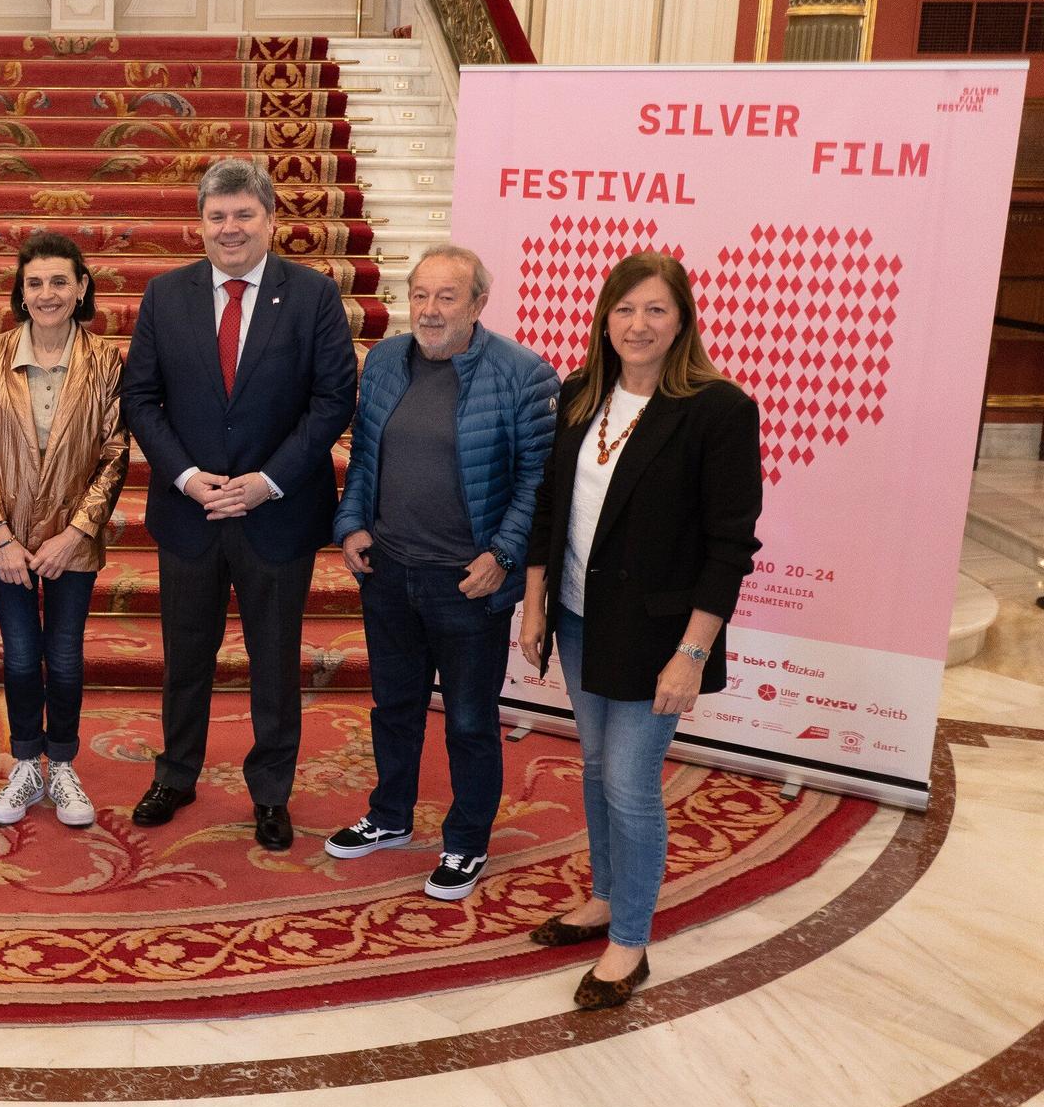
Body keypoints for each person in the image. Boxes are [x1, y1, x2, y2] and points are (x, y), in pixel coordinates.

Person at [519, 250, 762, 1010]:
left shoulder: (719, 409)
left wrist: (692, 653)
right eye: (624, 309)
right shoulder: (578, 394)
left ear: (682, 320)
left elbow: (730, 546)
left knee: (629, 784)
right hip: (580, 618)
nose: (638, 324)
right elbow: (551, 509)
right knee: (594, 768)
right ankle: (601, 897)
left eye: (656, 309)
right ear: (605, 318)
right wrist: (534, 605)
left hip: (660, 635)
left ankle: (630, 940)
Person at [120, 157, 358, 851]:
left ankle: (270, 792)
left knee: (275, 661)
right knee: (184, 656)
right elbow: (140, 397)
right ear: (200, 225)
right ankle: (177, 773)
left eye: (243, 215)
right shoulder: (166, 295)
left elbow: (332, 399)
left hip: (275, 512)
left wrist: (267, 481)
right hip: (189, 510)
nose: (230, 228)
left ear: (270, 221)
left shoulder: (312, 295)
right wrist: (189, 476)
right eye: (217, 216)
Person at [328, 245, 558, 901]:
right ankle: (391, 816)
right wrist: (351, 526)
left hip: (468, 584)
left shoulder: (523, 374)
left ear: (479, 303)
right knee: (393, 707)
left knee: (468, 720)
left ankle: (466, 840)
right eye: (421, 295)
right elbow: (365, 456)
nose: (429, 310)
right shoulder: (384, 362)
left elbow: (539, 481)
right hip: (390, 574)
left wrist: (504, 556)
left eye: (446, 297)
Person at [0, 233, 129, 828]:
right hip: (4, 541)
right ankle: (25, 762)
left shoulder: (106, 360)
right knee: (19, 654)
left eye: (60, 281)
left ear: (81, 287)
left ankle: (62, 765)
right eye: (35, 282)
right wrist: (1, 537)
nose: (48, 293)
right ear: (21, 290)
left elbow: (115, 453)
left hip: (72, 542)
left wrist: (77, 533)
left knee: (63, 654)